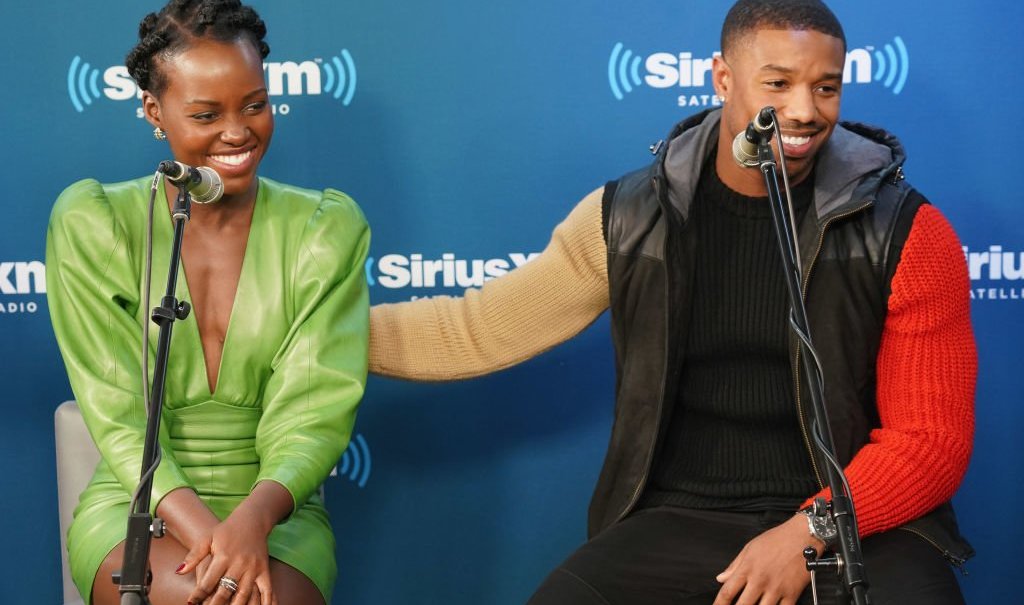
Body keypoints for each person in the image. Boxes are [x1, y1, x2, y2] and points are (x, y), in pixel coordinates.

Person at [368, 1, 976, 603]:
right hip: (680, 515)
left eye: (826, 87)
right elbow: (478, 328)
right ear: (722, 78)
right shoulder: (630, 217)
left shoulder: (906, 230)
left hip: (854, 523)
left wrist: (807, 532)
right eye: (779, 83)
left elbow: (929, 443)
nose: (804, 109)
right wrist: (307, 332)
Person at [46, 1, 370, 604]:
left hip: (275, 512)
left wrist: (250, 524)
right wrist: (216, 544)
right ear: (154, 110)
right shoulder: (96, 224)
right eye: (205, 113)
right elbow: (117, 413)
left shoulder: (325, 229)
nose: (238, 131)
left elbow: (313, 410)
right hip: (139, 507)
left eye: (255, 104)